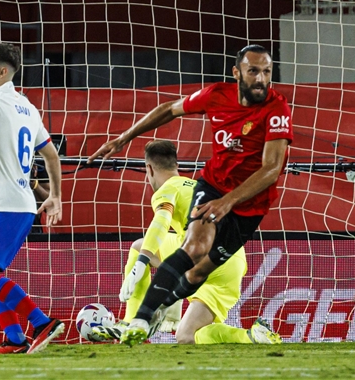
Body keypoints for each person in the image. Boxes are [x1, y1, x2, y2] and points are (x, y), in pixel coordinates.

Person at [88, 44, 292, 347]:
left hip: (247, 206)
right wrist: (124, 137)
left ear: (149, 169)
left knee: (187, 268)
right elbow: (170, 109)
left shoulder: (276, 109)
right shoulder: (216, 96)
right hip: (215, 193)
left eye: (266, 72)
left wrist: (142, 262)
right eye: (253, 71)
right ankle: (145, 319)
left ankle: (145, 314)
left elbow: (272, 168)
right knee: (193, 253)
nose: (261, 78)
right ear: (237, 73)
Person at [90, 140, 280, 345]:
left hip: (201, 254)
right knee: (187, 335)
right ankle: (251, 336)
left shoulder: (167, 189)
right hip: (232, 262)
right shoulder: (198, 187)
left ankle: (129, 322)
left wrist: (141, 262)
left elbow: (161, 222)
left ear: (149, 169)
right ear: (176, 166)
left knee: (139, 248)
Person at [0, 43, 65, 354]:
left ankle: (42, 322)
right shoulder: (28, 108)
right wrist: (55, 196)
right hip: (23, 205)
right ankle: (15, 339)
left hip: (5, 202)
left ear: (3, 71)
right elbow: (52, 156)